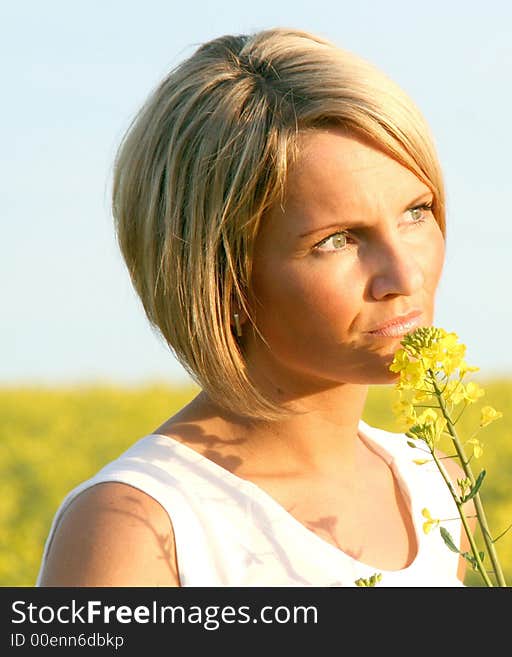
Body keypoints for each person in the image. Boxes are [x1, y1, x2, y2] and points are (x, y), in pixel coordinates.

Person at [37, 27, 476, 586]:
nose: (405, 274)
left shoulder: (437, 486)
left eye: (416, 211)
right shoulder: (138, 532)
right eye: (337, 240)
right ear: (222, 278)